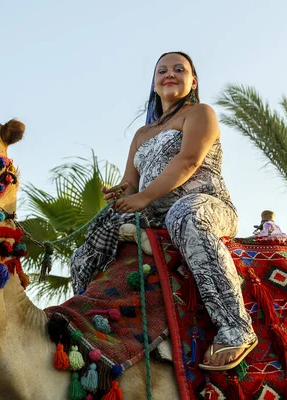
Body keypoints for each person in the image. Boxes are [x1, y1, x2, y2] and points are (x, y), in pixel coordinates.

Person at [70, 51, 257, 370]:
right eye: (162, 71)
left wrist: (142, 198)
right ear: (154, 84)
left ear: (193, 81)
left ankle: (235, 328)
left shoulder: (200, 113)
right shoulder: (142, 135)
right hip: (154, 212)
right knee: (88, 247)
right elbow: (130, 183)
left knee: (184, 214)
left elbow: (189, 161)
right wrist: (118, 194)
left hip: (205, 203)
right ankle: (90, 330)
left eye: (179, 69)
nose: (170, 74)